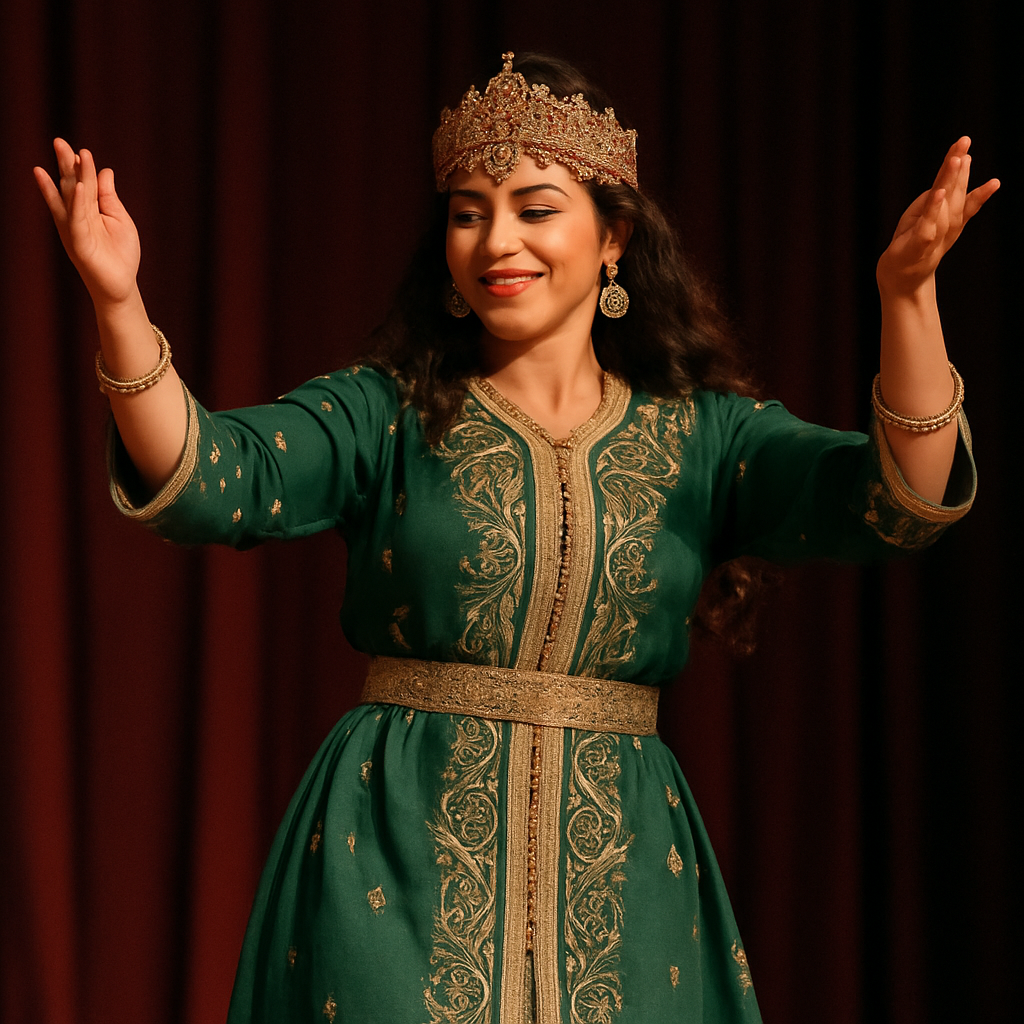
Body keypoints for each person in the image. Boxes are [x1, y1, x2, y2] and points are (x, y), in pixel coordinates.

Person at [35, 51, 997, 1024]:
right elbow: (209, 477)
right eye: (467, 211)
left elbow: (896, 497)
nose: (498, 239)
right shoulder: (388, 413)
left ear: (613, 234)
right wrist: (120, 304)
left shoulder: (699, 437)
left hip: (627, 886)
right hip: (392, 868)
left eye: (535, 208)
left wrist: (905, 296)